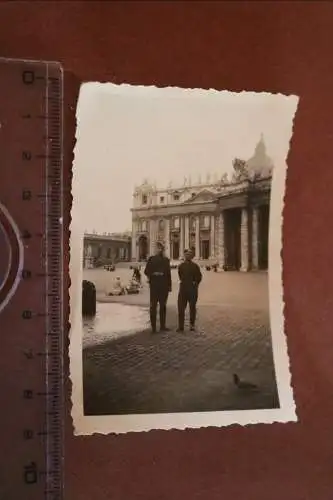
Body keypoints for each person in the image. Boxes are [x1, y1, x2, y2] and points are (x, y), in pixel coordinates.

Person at [144, 242, 172, 333]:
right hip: (154, 286)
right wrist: (153, 274)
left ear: (162, 249)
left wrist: (169, 286)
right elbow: (146, 271)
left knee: (163, 306)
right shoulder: (151, 259)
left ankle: (163, 326)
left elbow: (168, 274)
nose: (158, 250)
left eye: (160, 248)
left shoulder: (166, 260)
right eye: (157, 248)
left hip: (164, 286)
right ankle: (153, 327)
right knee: (153, 307)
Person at [177, 249, 202, 332]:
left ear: (192, 256)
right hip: (183, 289)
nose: (188, 255)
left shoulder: (195, 266)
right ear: (184, 255)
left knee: (192, 308)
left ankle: (192, 325)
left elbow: (199, 277)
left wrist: (195, 283)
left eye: (190, 254)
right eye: (186, 254)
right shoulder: (181, 266)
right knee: (181, 308)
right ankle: (181, 326)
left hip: (192, 289)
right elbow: (180, 276)